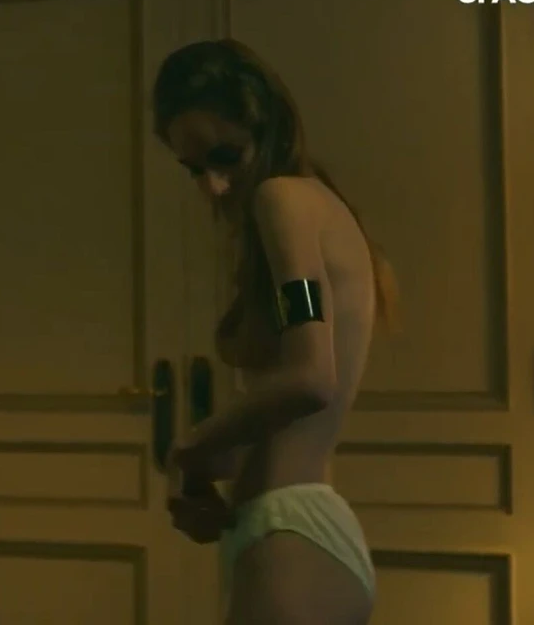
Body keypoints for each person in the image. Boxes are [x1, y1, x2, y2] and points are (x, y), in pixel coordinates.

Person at [152, 39, 397, 625]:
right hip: (298, 533)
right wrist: (207, 471)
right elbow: (295, 405)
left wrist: (190, 448)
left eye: (226, 157)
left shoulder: (280, 200)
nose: (212, 186)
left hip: (291, 537)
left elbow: (309, 376)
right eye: (194, 169)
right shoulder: (316, 206)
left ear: (265, 126)